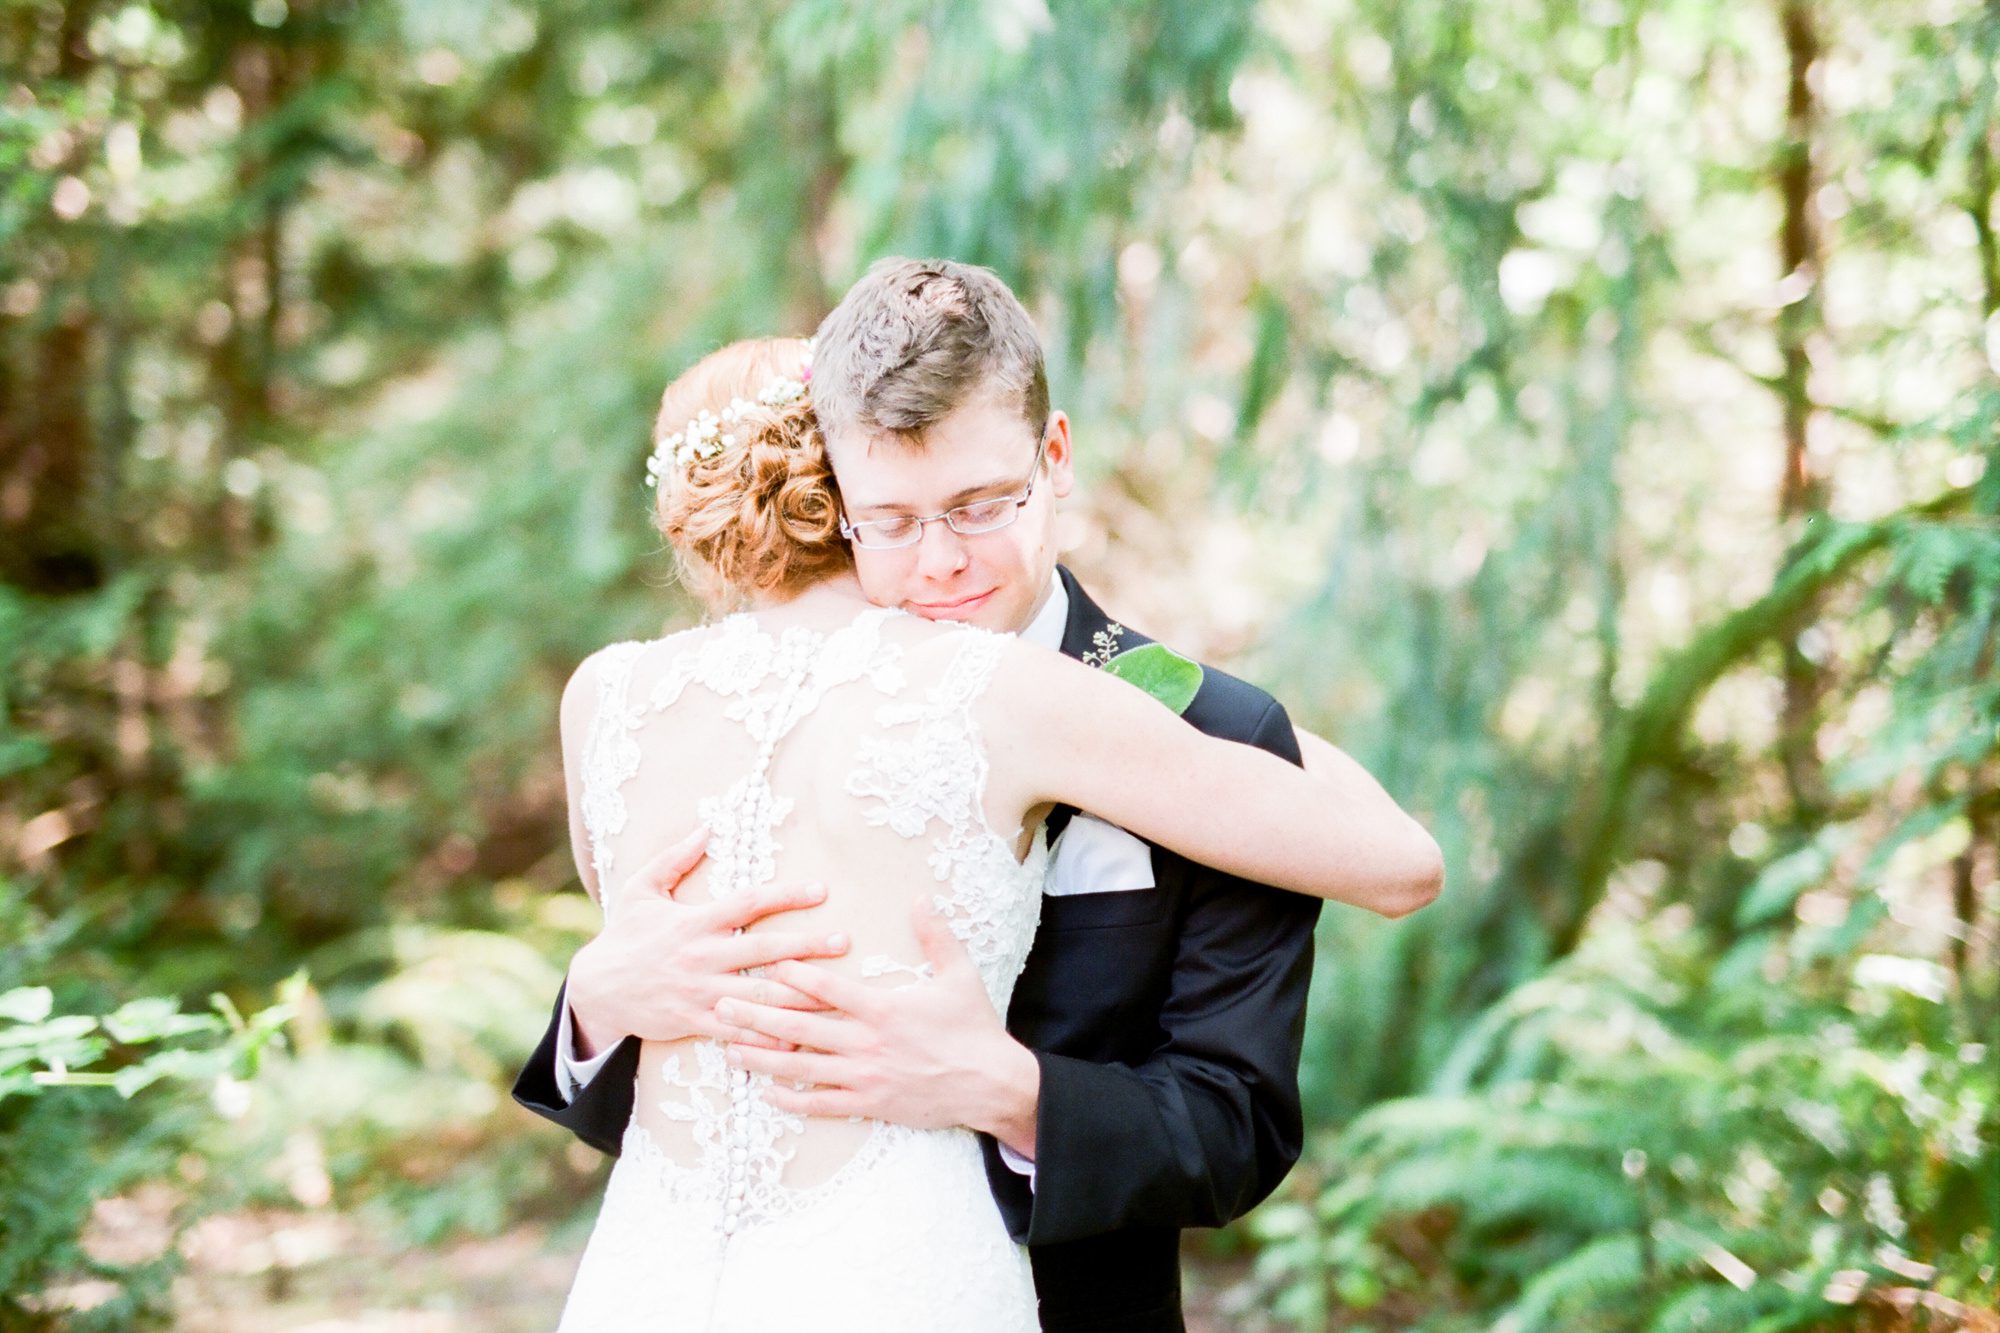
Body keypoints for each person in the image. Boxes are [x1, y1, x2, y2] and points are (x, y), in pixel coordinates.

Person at [520, 262, 1443, 1331]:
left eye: (977, 506)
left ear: (1051, 460)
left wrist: (1006, 1089)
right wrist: (594, 1005)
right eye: (892, 522)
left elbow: (1233, 1126)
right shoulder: (730, 721)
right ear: (837, 502)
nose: (942, 563)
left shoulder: (1211, 734)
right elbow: (699, 1115)